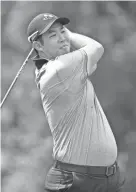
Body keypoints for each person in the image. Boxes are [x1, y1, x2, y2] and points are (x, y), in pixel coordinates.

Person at [27, 13, 125, 192]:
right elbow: (96, 48)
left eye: (62, 31)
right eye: (53, 35)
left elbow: (92, 61)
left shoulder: (62, 68)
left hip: (104, 179)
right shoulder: (59, 69)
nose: (62, 38)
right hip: (76, 181)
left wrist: (62, 36)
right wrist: (69, 35)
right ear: (38, 45)